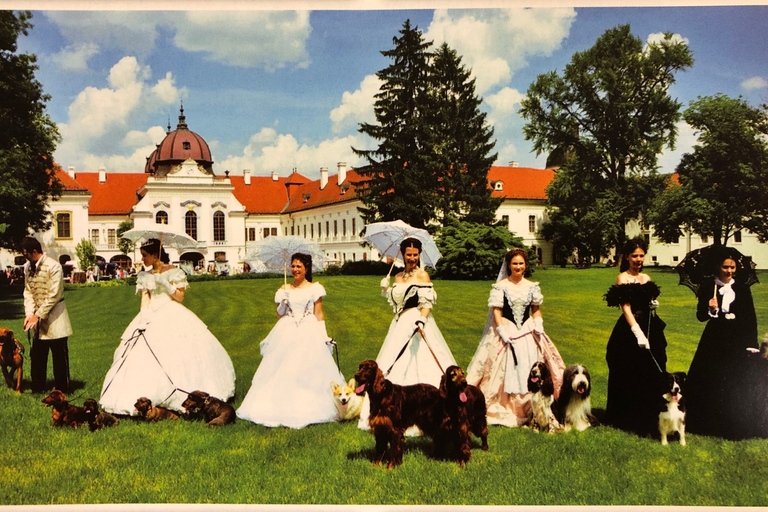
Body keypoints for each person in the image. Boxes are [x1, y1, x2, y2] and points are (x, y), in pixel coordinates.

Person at [100, 239, 235, 415]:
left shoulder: (174, 272)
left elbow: (179, 297)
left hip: (171, 312)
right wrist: (143, 317)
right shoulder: (144, 275)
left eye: (145, 255)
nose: (142, 259)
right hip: (151, 314)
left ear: (156, 255)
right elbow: (145, 298)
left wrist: (165, 284)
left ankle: (185, 397)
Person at [358, 237, 457, 431]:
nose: (412, 258)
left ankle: (426, 412)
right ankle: (389, 411)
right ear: (402, 255)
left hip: (417, 322)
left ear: (419, 255)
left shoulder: (423, 276)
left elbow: (426, 303)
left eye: (415, 255)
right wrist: (387, 289)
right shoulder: (397, 276)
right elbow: (397, 304)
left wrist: (421, 318)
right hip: (399, 324)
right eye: (408, 255)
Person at [237, 252, 343, 428]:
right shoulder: (284, 288)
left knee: (310, 368)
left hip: (309, 329)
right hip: (287, 329)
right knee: (282, 367)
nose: (294, 270)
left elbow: (318, 313)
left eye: (298, 266)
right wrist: (284, 302)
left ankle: (311, 406)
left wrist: (323, 335)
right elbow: (279, 314)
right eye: (293, 266)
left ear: (306, 268)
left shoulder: (315, 288)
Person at [465, 248, 565, 427]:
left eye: (521, 263)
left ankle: (534, 404)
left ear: (525, 265)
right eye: (514, 263)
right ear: (508, 265)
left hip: (527, 329)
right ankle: (507, 406)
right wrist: (502, 330)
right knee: (501, 367)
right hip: (507, 327)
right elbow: (497, 310)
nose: (518, 267)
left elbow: (535, 309)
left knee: (533, 363)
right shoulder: (501, 286)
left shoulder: (532, 286)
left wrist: (538, 323)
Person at [685, 249, 766, 439]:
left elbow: (750, 318)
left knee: (734, 380)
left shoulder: (743, 289)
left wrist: (752, 343)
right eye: (725, 267)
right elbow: (700, 317)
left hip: (737, 340)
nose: (729, 271)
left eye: (732, 267)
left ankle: (731, 424)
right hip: (715, 339)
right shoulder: (708, 287)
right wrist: (710, 308)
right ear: (717, 267)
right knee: (711, 378)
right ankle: (707, 423)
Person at [604, 237, 667, 435]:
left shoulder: (646, 278)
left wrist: (653, 305)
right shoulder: (622, 278)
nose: (638, 260)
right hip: (630, 329)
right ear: (627, 257)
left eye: (641, 256)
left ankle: (648, 415)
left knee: (650, 370)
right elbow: (626, 308)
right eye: (634, 256)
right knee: (628, 370)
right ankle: (626, 417)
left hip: (649, 326)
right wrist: (637, 332)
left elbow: (648, 301)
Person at [21, 237, 73, 393]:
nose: (25, 258)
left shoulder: (54, 266)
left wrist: (38, 315)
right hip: (37, 320)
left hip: (56, 318)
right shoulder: (27, 267)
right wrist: (29, 313)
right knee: (37, 356)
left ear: (34, 251)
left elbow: (54, 295)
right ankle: (37, 388)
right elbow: (28, 291)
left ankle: (62, 389)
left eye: (26, 254)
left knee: (59, 357)